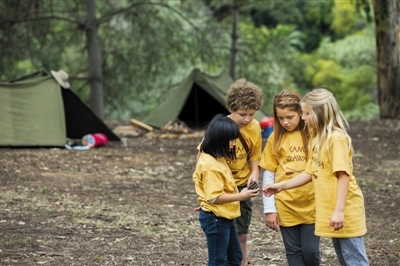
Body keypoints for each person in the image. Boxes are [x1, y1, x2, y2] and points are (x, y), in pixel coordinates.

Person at [263, 88, 369, 266]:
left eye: (306, 113)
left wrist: (339, 211)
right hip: (332, 210)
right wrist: (281, 186)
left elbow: (343, 176)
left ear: (319, 114)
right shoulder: (317, 138)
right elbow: (310, 172)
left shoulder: (336, 139)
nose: (303, 118)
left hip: (346, 211)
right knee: (345, 260)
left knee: (354, 261)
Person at [196, 78, 264, 266]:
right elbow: (203, 157)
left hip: (242, 186)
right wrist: (203, 198)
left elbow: (255, 155)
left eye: (252, 114)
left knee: (240, 234)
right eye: (242, 114)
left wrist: (254, 174)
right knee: (222, 237)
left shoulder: (255, 127)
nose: (247, 119)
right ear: (231, 109)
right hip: (222, 189)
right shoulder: (221, 128)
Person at [259, 90, 320, 265]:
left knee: (311, 252)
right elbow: (269, 174)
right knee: (293, 253)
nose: (285, 122)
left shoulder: (313, 135)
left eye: (290, 117)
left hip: (312, 205)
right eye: (280, 118)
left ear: (301, 113)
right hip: (286, 205)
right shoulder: (275, 138)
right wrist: (269, 210)